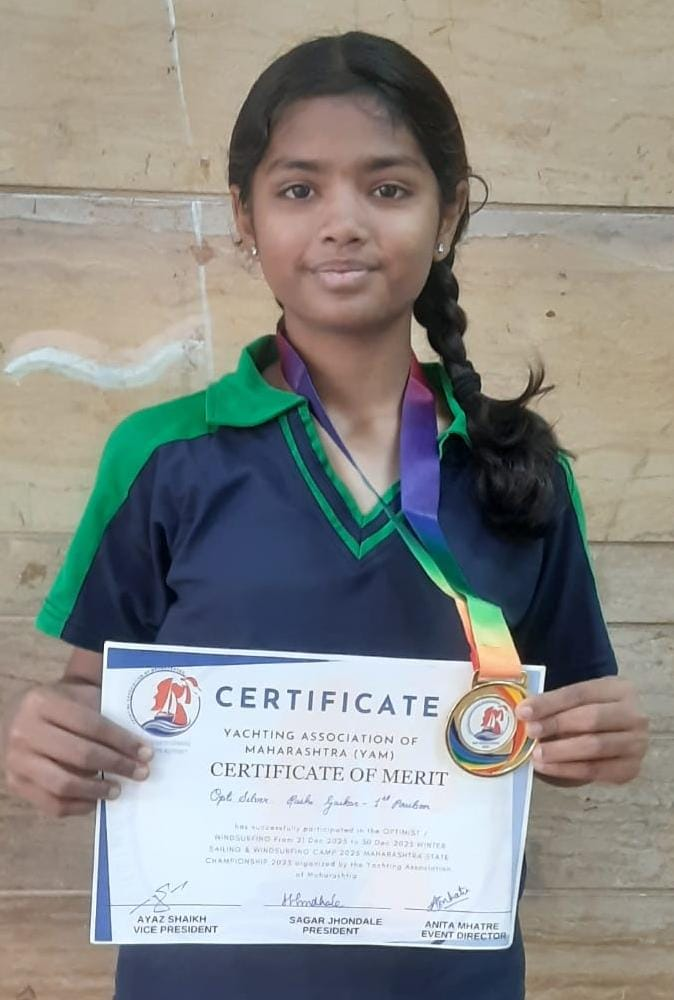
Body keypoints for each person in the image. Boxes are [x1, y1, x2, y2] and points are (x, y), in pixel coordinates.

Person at [1, 30, 648, 1000]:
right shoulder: (162, 455)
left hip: (445, 978)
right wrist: (50, 736)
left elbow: (557, 721)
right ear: (244, 217)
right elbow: (93, 688)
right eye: (299, 189)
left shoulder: (522, 473)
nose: (342, 223)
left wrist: (600, 741)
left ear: (447, 215)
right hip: (200, 977)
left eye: (387, 188)